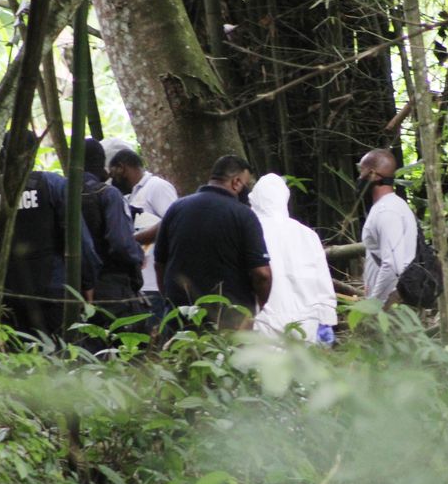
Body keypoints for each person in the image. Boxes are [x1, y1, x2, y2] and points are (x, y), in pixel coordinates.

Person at [0, 134, 101, 337]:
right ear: (33, 154)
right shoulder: (54, 185)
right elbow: (79, 240)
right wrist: (88, 282)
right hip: (54, 289)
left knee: (17, 358)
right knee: (60, 354)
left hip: (7, 292)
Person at [154, 155, 271, 330]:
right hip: (229, 319)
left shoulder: (177, 208)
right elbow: (262, 274)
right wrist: (260, 306)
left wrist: (170, 300)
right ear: (236, 182)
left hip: (181, 318)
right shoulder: (243, 215)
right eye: (246, 185)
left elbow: (159, 264)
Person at [249, 173, 337, 343]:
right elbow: (323, 282)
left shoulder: (251, 232)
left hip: (265, 321)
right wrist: (327, 320)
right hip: (306, 323)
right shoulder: (307, 234)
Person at [107, 147, 179, 325]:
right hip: (143, 283)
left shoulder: (156, 187)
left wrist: (133, 241)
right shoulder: (131, 195)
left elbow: (174, 221)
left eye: (112, 172)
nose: (111, 178)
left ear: (122, 167)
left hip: (157, 282)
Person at [81, 139, 145, 324]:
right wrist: (138, 255)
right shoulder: (107, 193)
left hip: (73, 285)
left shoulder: (61, 189)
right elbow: (121, 244)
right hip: (111, 285)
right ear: (103, 164)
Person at [357, 148, 416, 304]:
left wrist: (375, 304)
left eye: (362, 171)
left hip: (390, 302)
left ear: (373, 175)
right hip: (389, 299)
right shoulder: (389, 206)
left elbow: (392, 266)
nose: (359, 177)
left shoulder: (387, 211)